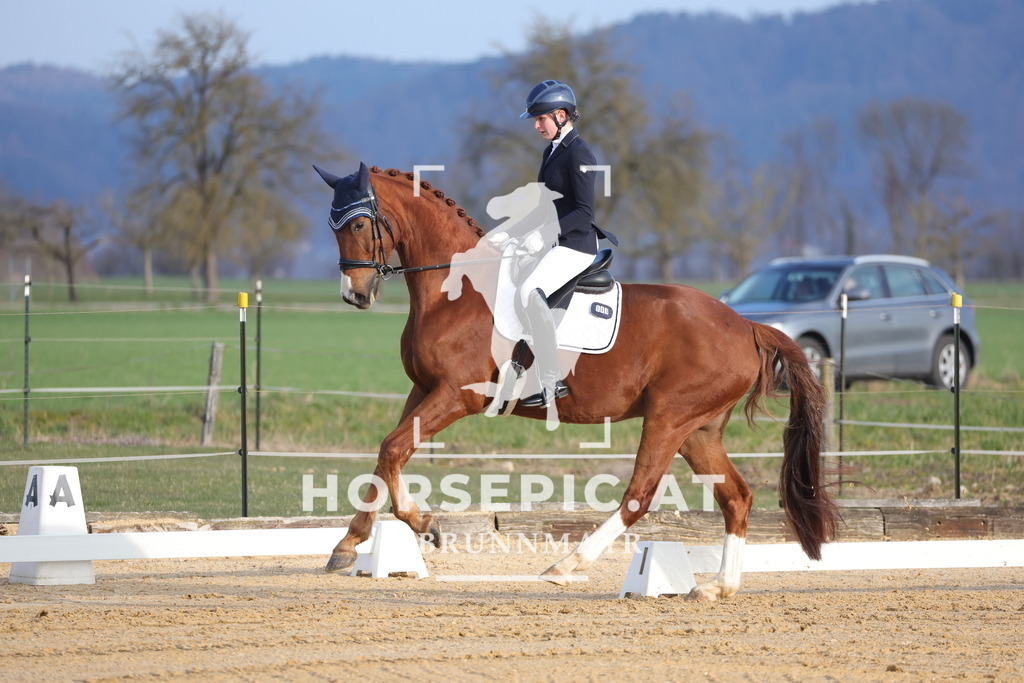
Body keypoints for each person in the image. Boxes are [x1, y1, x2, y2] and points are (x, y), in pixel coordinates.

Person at [515, 79, 617, 409]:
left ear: (561, 115)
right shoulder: (552, 151)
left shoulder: (580, 154)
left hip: (575, 246)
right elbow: (545, 205)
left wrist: (544, 235)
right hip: (554, 243)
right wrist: (513, 233)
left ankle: (550, 380)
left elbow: (584, 214)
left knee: (531, 292)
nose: (536, 125)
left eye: (540, 118)